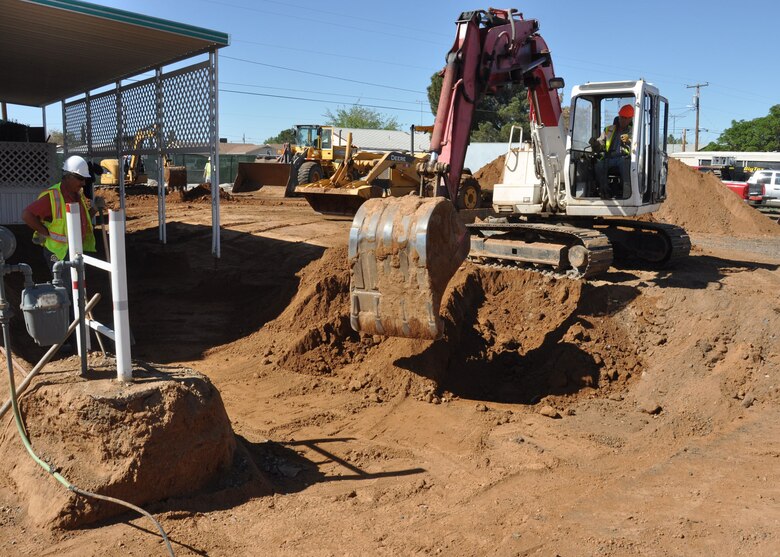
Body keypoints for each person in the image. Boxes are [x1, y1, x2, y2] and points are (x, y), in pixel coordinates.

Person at [21, 155, 99, 274]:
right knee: (66, 286)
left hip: (76, 249)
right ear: (67, 176)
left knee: (77, 287)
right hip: (58, 253)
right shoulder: (52, 197)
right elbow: (27, 215)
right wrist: (44, 232)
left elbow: (81, 221)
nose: (83, 183)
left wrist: (95, 209)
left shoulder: (77, 196)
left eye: (84, 179)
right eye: (80, 178)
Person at [591, 104, 634, 198]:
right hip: (609, 158)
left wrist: (630, 140)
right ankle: (604, 191)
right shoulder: (609, 130)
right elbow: (601, 143)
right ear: (618, 116)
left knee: (624, 163)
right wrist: (595, 144)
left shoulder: (633, 132)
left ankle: (626, 193)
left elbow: (637, 145)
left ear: (631, 119)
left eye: (626, 118)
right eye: (622, 117)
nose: (623, 120)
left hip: (624, 158)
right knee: (599, 164)